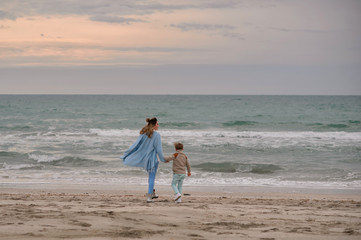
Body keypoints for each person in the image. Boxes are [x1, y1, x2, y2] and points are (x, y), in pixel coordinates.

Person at [120, 117, 166, 203]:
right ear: (154, 125)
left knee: (150, 177)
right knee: (152, 178)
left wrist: (126, 154)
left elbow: (135, 145)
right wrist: (163, 159)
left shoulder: (143, 134)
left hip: (146, 160)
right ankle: (149, 197)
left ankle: (152, 193)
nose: (158, 125)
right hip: (152, 160)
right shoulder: (157, 135)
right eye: (157, 124)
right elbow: (159, 150)